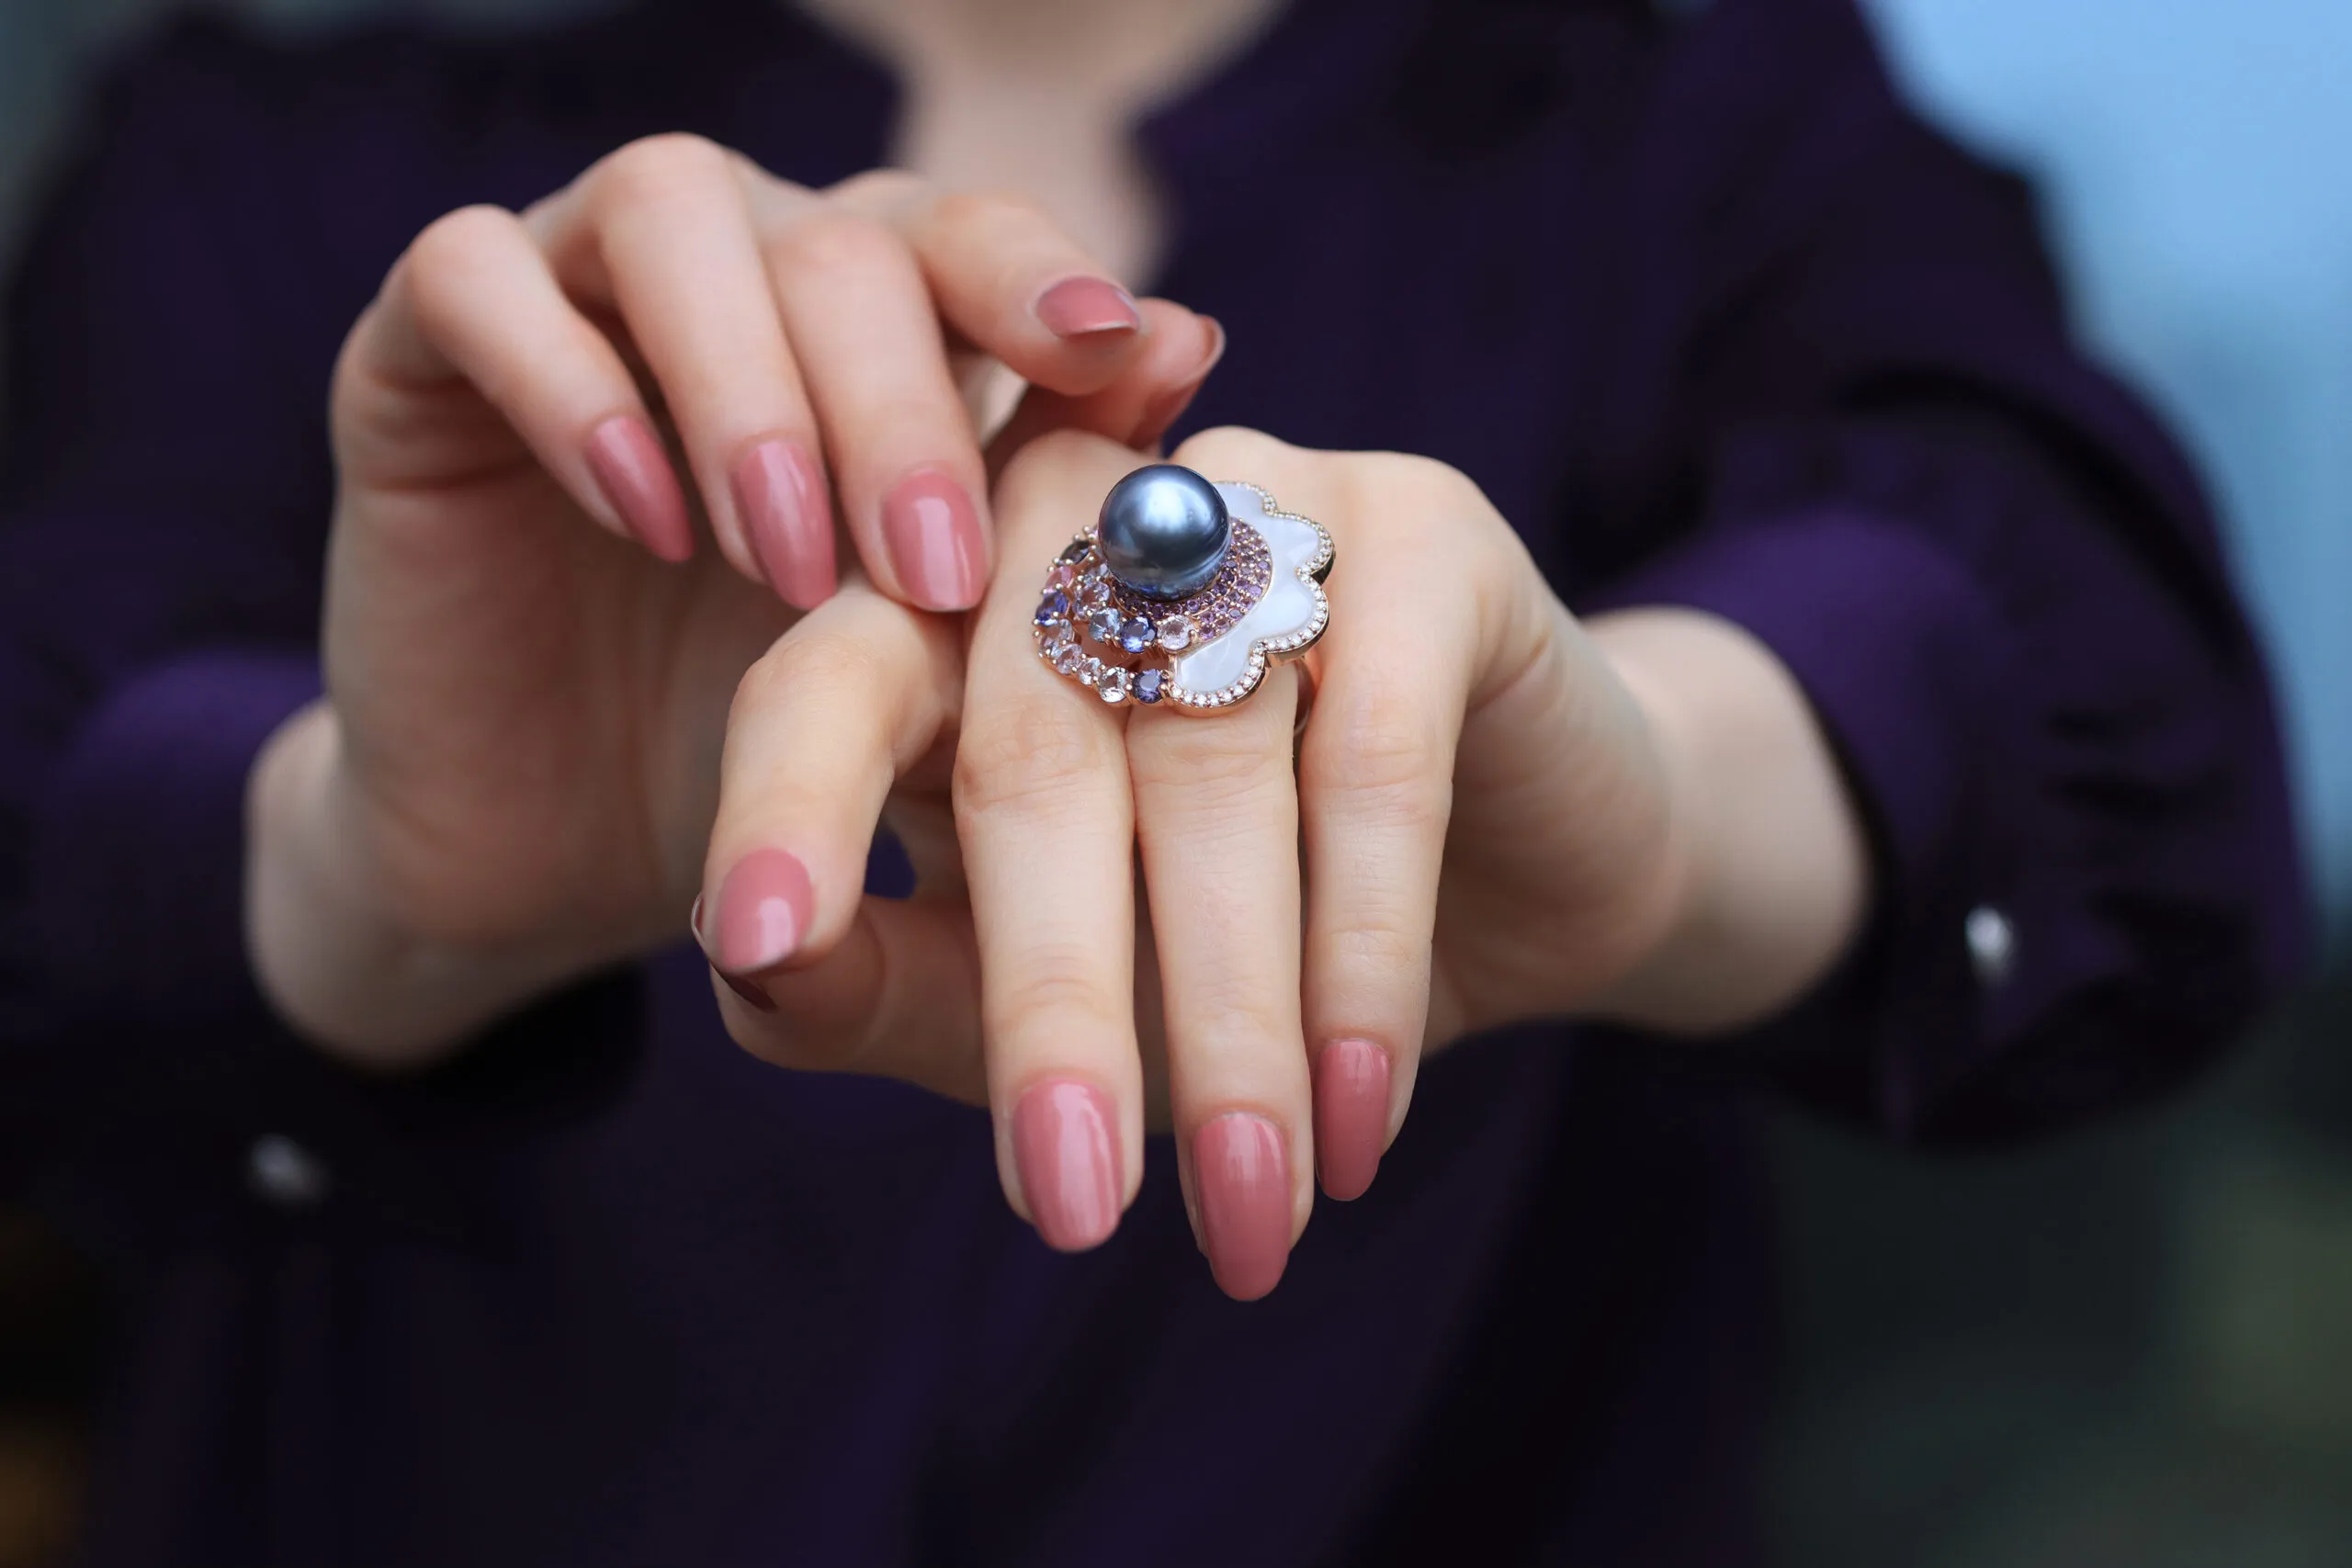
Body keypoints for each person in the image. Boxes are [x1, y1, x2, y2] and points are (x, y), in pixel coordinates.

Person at [0, 0, 2307, 1560]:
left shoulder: (1691, 126)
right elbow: (64, 785)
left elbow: (2058, 672)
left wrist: (1648, 785)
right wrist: (361, 863)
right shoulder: (289, 145)